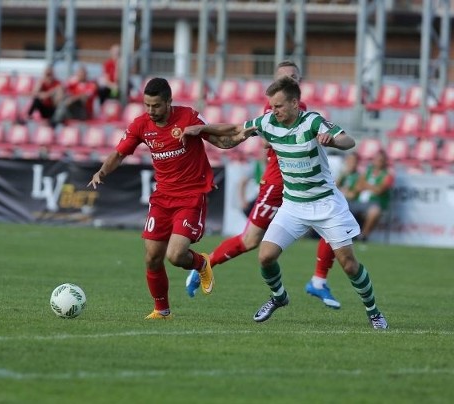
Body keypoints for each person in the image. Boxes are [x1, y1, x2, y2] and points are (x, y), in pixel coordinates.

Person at [183, 76, 388, 329]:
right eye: (271, 105)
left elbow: (349, 141)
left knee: (348, 263)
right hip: (293, 205)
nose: (273, 110)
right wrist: (203, 130)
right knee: (265, 256)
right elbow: (235, 131)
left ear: (294, 103)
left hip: (326, 205)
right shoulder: (267, 122)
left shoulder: (312, 121)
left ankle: (374, 311)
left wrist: (332, 140)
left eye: (278, 105)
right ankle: (279, 297)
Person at [87, 77, 249, 320]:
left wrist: (239, 134)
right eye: (147, 105)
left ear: (169, 102)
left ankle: (201, 263)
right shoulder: (141, 124)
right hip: (162, 197)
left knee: (175, 255)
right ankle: (162, 310)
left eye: (156, 106)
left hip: (191, 196)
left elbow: (221, 141)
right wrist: (101, 171)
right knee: (152, 257)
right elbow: (119, 154)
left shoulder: (188, 117)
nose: (151, 111)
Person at [185, 61, 341, 310]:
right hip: (278, 182)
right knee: (250, 240)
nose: (291, 79)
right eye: (285, 77)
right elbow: (264, 141)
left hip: (304, 182)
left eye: (295, 76)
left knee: (335, 223)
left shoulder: (302, 109)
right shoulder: (273, 110)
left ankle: (319, 280)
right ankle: (205, 264)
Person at [351, 150, 394, 242]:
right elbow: (357, 187)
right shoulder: (367, 172)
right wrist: (372, 187)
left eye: (381, 160)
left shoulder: (388, 175)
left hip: (375, 202)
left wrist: (365, 185)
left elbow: (380, 190)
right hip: (359, 201)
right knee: (343, 207)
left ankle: (363, 236)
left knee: (374, 211)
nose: (378, 162)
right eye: (377, 159)